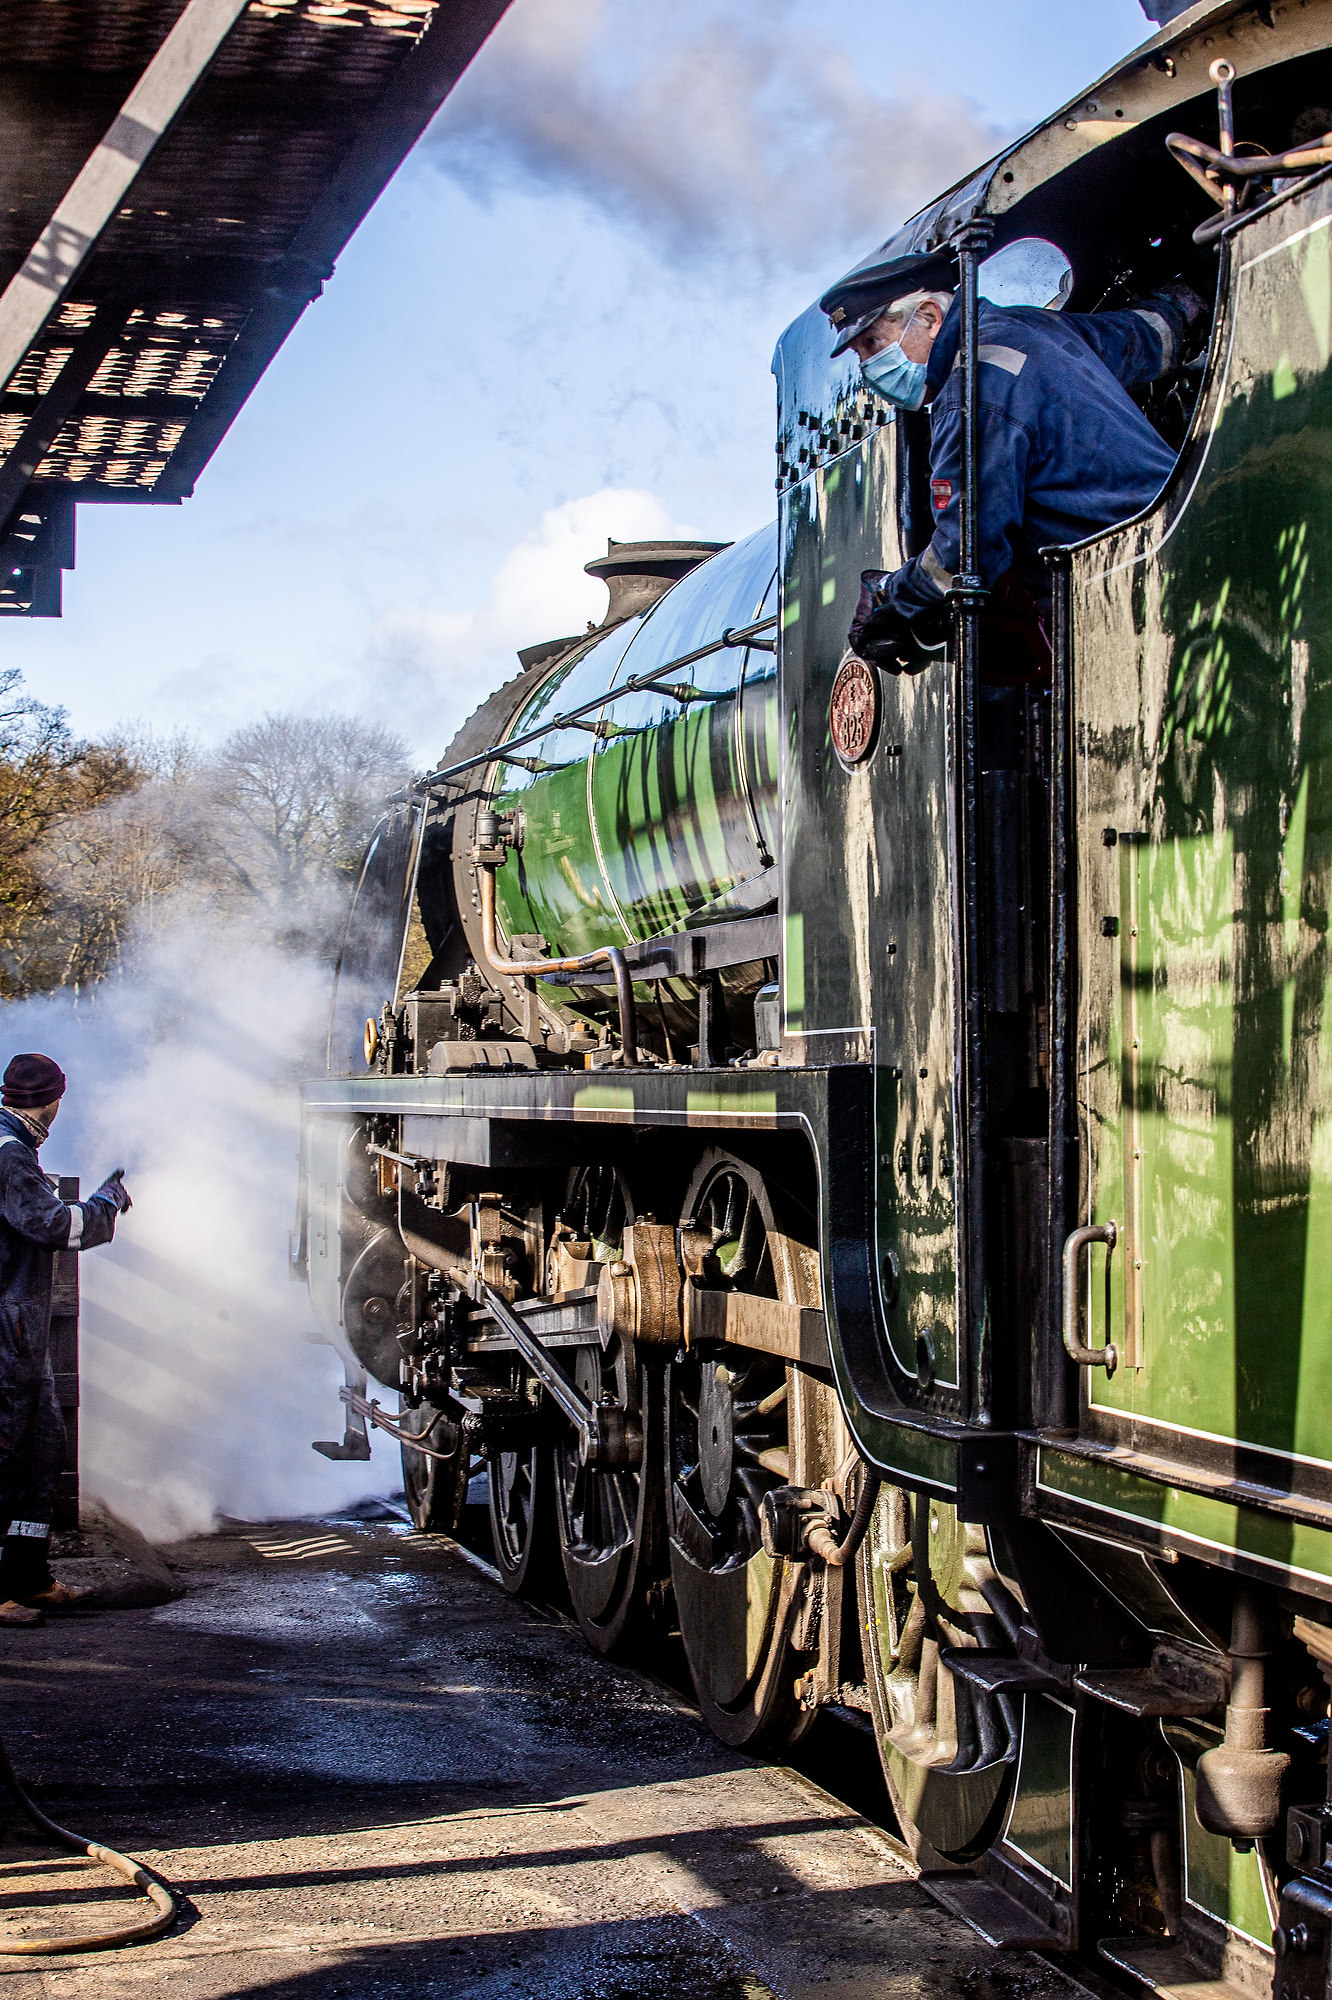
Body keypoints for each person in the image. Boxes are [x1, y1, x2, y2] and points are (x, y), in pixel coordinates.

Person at [830, 268, 1207, 673]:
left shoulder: (970, 389)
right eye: (860, 356)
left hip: (1130, 583)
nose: (870, 370)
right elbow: (1144, 340)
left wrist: (892, 595)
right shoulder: (1029, 325)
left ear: (928, 317)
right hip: (1188, 538)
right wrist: (1187, 296)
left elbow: (967, 551)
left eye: (873, 344)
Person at [0, 1054, 131, 1626]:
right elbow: (54, 1226)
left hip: (20, 1331)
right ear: (53, 1101)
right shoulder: (8, 1155)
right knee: (5, 1456)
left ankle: (29, 1578)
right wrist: (104, 1204)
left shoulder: (15, 1148)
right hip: (7, 1328)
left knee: (40, 1450)